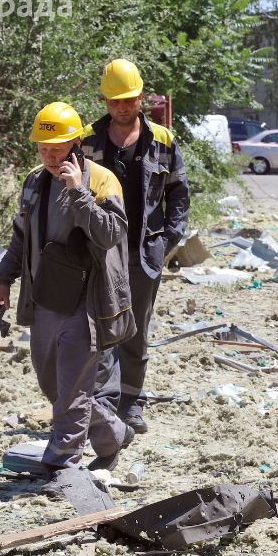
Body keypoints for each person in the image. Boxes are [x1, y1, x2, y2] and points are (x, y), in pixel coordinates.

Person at [0, 102, 136, 491]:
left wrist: (79, 192)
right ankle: (112, 433)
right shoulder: (34, 182)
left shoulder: (103, 181)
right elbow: (21, 238)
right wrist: (3, 280)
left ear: (75, 144)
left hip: (86, 302)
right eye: (44, 149)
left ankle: (62, 466)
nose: (51, 157)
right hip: (45, 300)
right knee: (55, 385)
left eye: (57, 149)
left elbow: (110, 235)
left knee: (72, 390)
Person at [84, 59, 190, 434]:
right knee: (99, 328)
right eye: (115, 101)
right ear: (105, 101)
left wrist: (168, 239)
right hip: (100, 253)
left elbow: (179, 191)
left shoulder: (162, 139)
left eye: (129, 99)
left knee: (136, 330)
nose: (123, 107)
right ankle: (103, 404)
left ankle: (132, 403)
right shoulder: (87, 140)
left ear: (141, 97)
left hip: (145, 252)